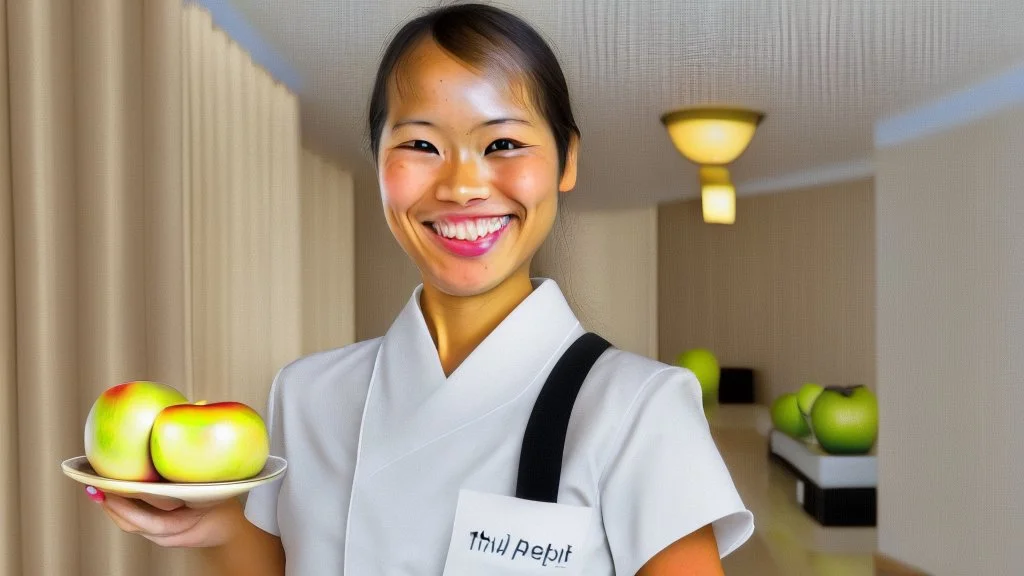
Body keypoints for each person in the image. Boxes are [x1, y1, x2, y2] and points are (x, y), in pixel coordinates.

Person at [87, 3, 754, 574]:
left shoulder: (639, 408)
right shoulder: (305, 394)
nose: (462, 185)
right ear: (377, 161)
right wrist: (212, 527)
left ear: (566, 160)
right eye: (421, 146)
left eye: (502, 145)